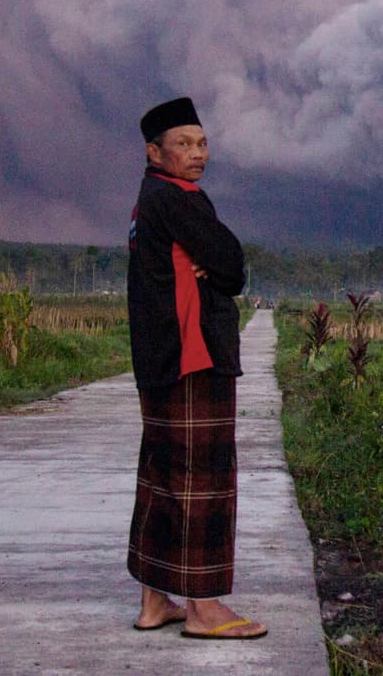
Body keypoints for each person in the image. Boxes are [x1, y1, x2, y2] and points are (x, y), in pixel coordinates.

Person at [125, 96, 266, 640]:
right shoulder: (180, 200)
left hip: (159, 363)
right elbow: (232, 265)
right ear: (154, 151)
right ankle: (205, 609)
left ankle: (154, 603)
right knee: (202, 482)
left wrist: (215, 261)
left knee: (162, 478)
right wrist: (220, 263)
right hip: (193, 360)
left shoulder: (146, 203)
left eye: (202, 142)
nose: (197, 153)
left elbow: (221, 264)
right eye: (183, 144)